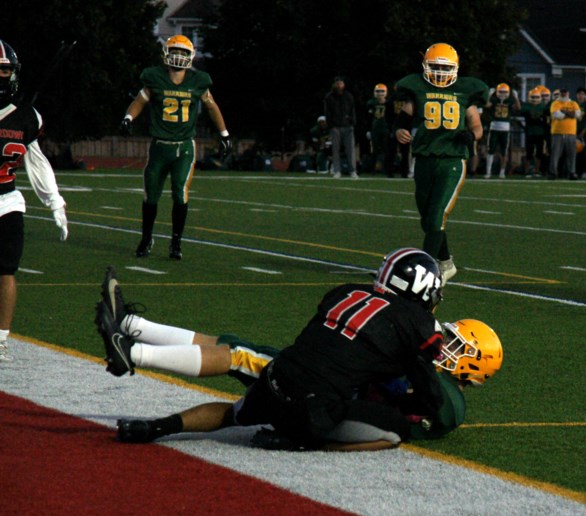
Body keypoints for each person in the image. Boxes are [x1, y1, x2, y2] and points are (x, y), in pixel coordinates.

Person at [94, 268, 502, 446]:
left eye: (458, 346)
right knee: (240, 354)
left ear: (474, 367)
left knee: (239, 354)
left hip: (331, 397)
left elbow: (414, 408)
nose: (446, 346)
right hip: (332, 386)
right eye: (450, 338)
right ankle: (131, 327)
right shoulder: (424, 365)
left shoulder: (448, 399)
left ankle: (133, 342)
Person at [120, 35, 230, 260]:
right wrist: (128, 118)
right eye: (174, 52)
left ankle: (176, 242)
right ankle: (146, 237)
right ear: (166, 54)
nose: (178, 57)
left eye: (183, 53)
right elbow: (140, 101)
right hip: (159, 146)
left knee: (180, 192)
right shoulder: (155, 78)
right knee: (151, 195)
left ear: (190, 56)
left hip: (184, 148)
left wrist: (224, 134)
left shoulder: (198, 81)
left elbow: (211, 107)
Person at [394, 43, 487, 283]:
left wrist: (472, 135)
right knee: (428, 219)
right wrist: (400, 132)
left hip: (452, 161)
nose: (439, 72)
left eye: (444, 67)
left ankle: (424, 273)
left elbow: (477, 126)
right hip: (424, 159)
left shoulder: (465, 91)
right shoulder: (418, 89)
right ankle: (446, 264)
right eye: (434, 66)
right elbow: (403, 120)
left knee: (436, 218)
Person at [0, 39, 69, 363]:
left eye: (6, 70)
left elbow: (37, 162)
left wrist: (54, 201)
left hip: (6, 201)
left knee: (6, 270)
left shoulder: (26, 117)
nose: (4, 76)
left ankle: (0, 339)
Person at [323, 76, 358, 178]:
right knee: (335, 150)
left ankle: (352, 171)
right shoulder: (329, 97)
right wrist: (331, 124)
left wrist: (352, 122)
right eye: (337, 83)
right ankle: (337, 170)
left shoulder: (348, 96)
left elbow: (352, 110)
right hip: (335, 127)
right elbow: (327, 112)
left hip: (348, 126)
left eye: (340, 83)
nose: (339, 85)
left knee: (350, 149)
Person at [484, 83, 520, 178]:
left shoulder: (510, 100)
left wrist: (516, 98)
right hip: (494, 127)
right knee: (490, 150)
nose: (503, 94)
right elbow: (487, 105)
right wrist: (489, 95)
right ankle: (488, 172)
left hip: (505, 128)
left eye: (505, 92)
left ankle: (502, 172)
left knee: (504, 151)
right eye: (501, 91)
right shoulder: (494, 99)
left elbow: (518, 108)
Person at [548, 88, 581, 180]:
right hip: (557, 132)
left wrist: (565, 112)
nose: (564, 94)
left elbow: (578, 115)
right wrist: (571, 114)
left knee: (572, 154)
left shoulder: (573, 103)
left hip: (571, 132)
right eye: (562, 93)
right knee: (555, 154)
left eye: (565, 92)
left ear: (568, 93)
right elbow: (557, 115)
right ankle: (553, 172)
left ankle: (572, 172)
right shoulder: (555, 103)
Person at [520, 87, 550, 177]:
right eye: (533, 97)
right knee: (529, 153)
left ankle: (537, 171)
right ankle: (527, 171)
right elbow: (522, 112)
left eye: (537, 97)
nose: (535, 99)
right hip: (530, 132)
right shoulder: (526, 106)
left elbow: (546, 118)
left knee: (539, 153)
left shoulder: (543, 107)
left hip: (540, 132)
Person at [365, 83, 391, 175]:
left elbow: (391, 117)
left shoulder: (389, 103)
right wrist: (368, 129)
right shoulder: (371, 103)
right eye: (378, 91)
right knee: (374, 151)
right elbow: (368, 118)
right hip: (375, 129)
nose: (380, 93)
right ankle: (373, 170)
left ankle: (386, 170)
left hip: (385, 129)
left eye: (382, 91)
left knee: (386, 150)